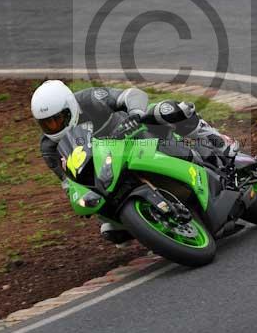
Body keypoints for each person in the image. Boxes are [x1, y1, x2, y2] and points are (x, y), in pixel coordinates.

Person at [31, 80, 233, 245]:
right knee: (110, 229)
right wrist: (81, 196)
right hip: (108, 172)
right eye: (46, 123)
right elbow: (68, 182)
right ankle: (153, 221)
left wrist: (135, 113)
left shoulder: (89, 98)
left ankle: (218, 143)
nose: (53, 126)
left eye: (57, 119)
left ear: (70, 107)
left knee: (169, 109)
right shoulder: (49, 148)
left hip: (137, 138)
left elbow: (131, 94)